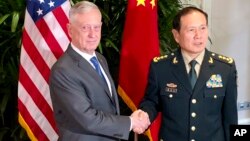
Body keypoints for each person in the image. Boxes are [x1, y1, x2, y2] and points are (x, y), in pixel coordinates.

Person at [49, 1, 149, 141]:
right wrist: (131, 122)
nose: (93, 34)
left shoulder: (100, 59)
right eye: (85, 28)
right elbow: (87, 118)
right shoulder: (63, 70)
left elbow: (108, 107)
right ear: (70, 29)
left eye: (96, 27)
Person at [138, 6, 238, 141]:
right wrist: (144, 114)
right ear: (176, 35)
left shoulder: (225, 68)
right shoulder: (160, 67)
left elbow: (231, 117)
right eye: (191, 30)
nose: (199, 35)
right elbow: (152, 102)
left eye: (203, 28)